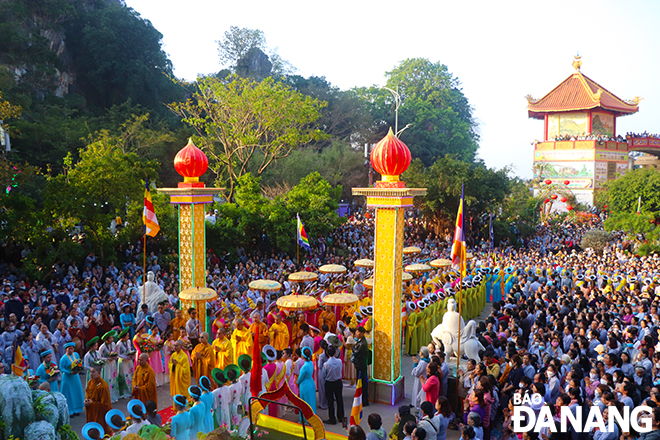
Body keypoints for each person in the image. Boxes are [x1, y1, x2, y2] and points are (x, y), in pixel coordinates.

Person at [60, 341, 85, 416]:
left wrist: (79, 369)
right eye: (69, 349)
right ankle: (69, 410)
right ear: (66, 350)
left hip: (75, 377)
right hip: (68, 378)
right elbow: (61, 368)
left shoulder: (76, 355)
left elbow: (79, 363)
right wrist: (69, 372)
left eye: (72, 349)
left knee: (75, 392)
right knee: (69, 393)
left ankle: (77, 409)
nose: (71, 350)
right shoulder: (63, 358)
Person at [85, 366, 112, 432]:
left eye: (93, 372)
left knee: (100, 431)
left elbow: (105, 404)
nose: (91, 374)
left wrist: (92, 403)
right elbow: (87, 394)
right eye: (90, 372)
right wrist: (86, 400)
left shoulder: (103, 386)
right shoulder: (90, 383)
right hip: (91, 411)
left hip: (99, 414)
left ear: (99, 372)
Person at [323, 344, 344, 425]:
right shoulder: (339, 361)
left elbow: (323, 374)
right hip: (338, 381)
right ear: (335, 352)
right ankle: (341, 416)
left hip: (329, 383)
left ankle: (332, 418)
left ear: (327, 353)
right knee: (339, 399)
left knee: (330, 401)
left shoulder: (326, 364)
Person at [352, 326, 370, 406]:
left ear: (362, 333)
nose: (356, 333)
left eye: (358, 332)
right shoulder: (360, 341)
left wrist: (354, 349)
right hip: (359, 364)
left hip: (361, 365)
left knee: (362, 382)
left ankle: (364, 400)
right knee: (360, 382)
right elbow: (354, 348)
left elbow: (356, 352)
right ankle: (360, 398)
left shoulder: (362, 344)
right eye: (356, 332)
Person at [298, 346, 316, 414]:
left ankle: (305, 419)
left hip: (305, 385)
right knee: (311, 401)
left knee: (304, 402)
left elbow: (300, 378)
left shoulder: (304, 366)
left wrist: (297, 382)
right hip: (310, 382)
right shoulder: (311, 363)